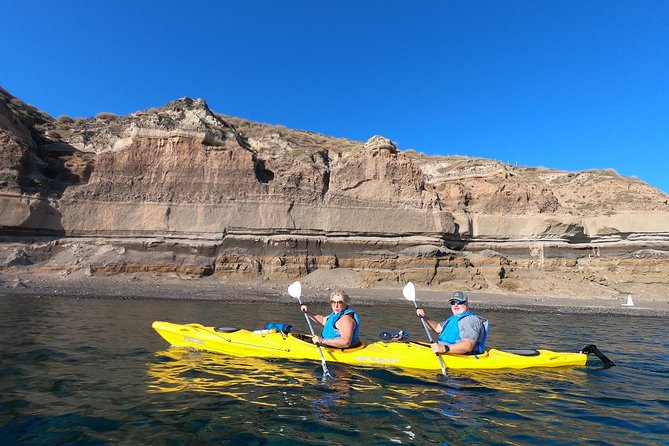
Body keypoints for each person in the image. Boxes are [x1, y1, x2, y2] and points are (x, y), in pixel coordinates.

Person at [416, 291, 488, 355]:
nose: (456, 305)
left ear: (467, 305)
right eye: (453, 303)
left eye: (459, 302)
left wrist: (444, 348)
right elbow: (437, 328)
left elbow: (468, 345)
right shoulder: (453, 318)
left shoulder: (470, 320)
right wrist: (425, 317)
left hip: (460, 356)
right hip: (445, 350)